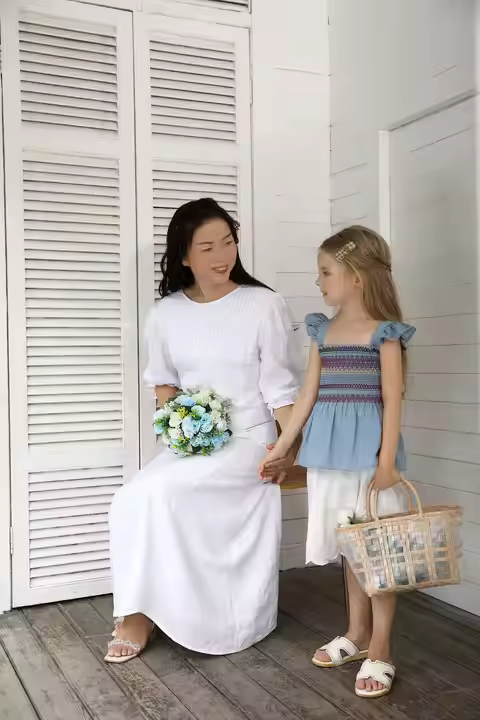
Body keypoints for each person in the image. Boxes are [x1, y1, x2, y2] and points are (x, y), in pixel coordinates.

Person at [105, 198, 301, 663]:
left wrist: (289, 450)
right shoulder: (166, 313)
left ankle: (142, 617)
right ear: (185, 257)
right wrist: (179, 433)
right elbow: (165, 385)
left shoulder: (263, 304)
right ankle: (140, 610)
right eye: (207, 247)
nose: (221, 256)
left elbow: (281, 389)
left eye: (228, 243)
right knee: (131, 498)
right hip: (195, 443)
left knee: (160, 493)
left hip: (251, 441)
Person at [259, 226, 415, 699]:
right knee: (350, 546)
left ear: (357, 277)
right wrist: (282, 447)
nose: (319, 281)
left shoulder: (384, 333)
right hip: (328, 456)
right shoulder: (322, 331)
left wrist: (386, 462)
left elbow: (393, 400)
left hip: (369, 458)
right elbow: (307, 396)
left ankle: (381, 648)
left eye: (326, 272)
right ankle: (357, 632)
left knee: (376, 552)